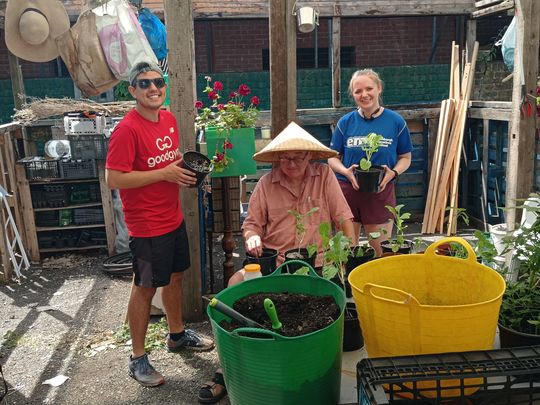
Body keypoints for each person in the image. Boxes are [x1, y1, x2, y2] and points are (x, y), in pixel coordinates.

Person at [197, 121, 354, 403]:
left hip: (316, 264)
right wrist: (253, 238)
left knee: (329, 313)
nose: (291, 163)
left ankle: (314, 370)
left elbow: (344, 218)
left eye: (298, 157)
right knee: (234, 286)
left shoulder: (324, 176)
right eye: (285, 157)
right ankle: (226, 369)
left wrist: (347, 254)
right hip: (275, 265)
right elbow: (252, 224)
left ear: (310, 157)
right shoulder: (266, 184)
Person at [106, 61, 214, 388]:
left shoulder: (166, 119)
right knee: (145, 286)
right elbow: (114, 177)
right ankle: (137, 358)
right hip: (147, 225)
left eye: (158, 82)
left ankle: (177, 334)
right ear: (132, 90)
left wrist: (184, 169)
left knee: (177, 276)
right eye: (145, 83)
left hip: (172, 217)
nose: (154, 88)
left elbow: (168, 158)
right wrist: (164, 174)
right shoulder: (127, 129)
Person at [328, 69, 413, 256]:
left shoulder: (396, 122)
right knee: (347, 253)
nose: (364, 94)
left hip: (380, 192)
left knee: (382, 253)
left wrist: (394, 173)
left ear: (379, 88)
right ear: (353, 95)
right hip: (347, 192)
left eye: (369, 88)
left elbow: (406, 158)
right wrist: (346, 171)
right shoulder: (345, 122)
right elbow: (332, 157)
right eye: (358, 91)